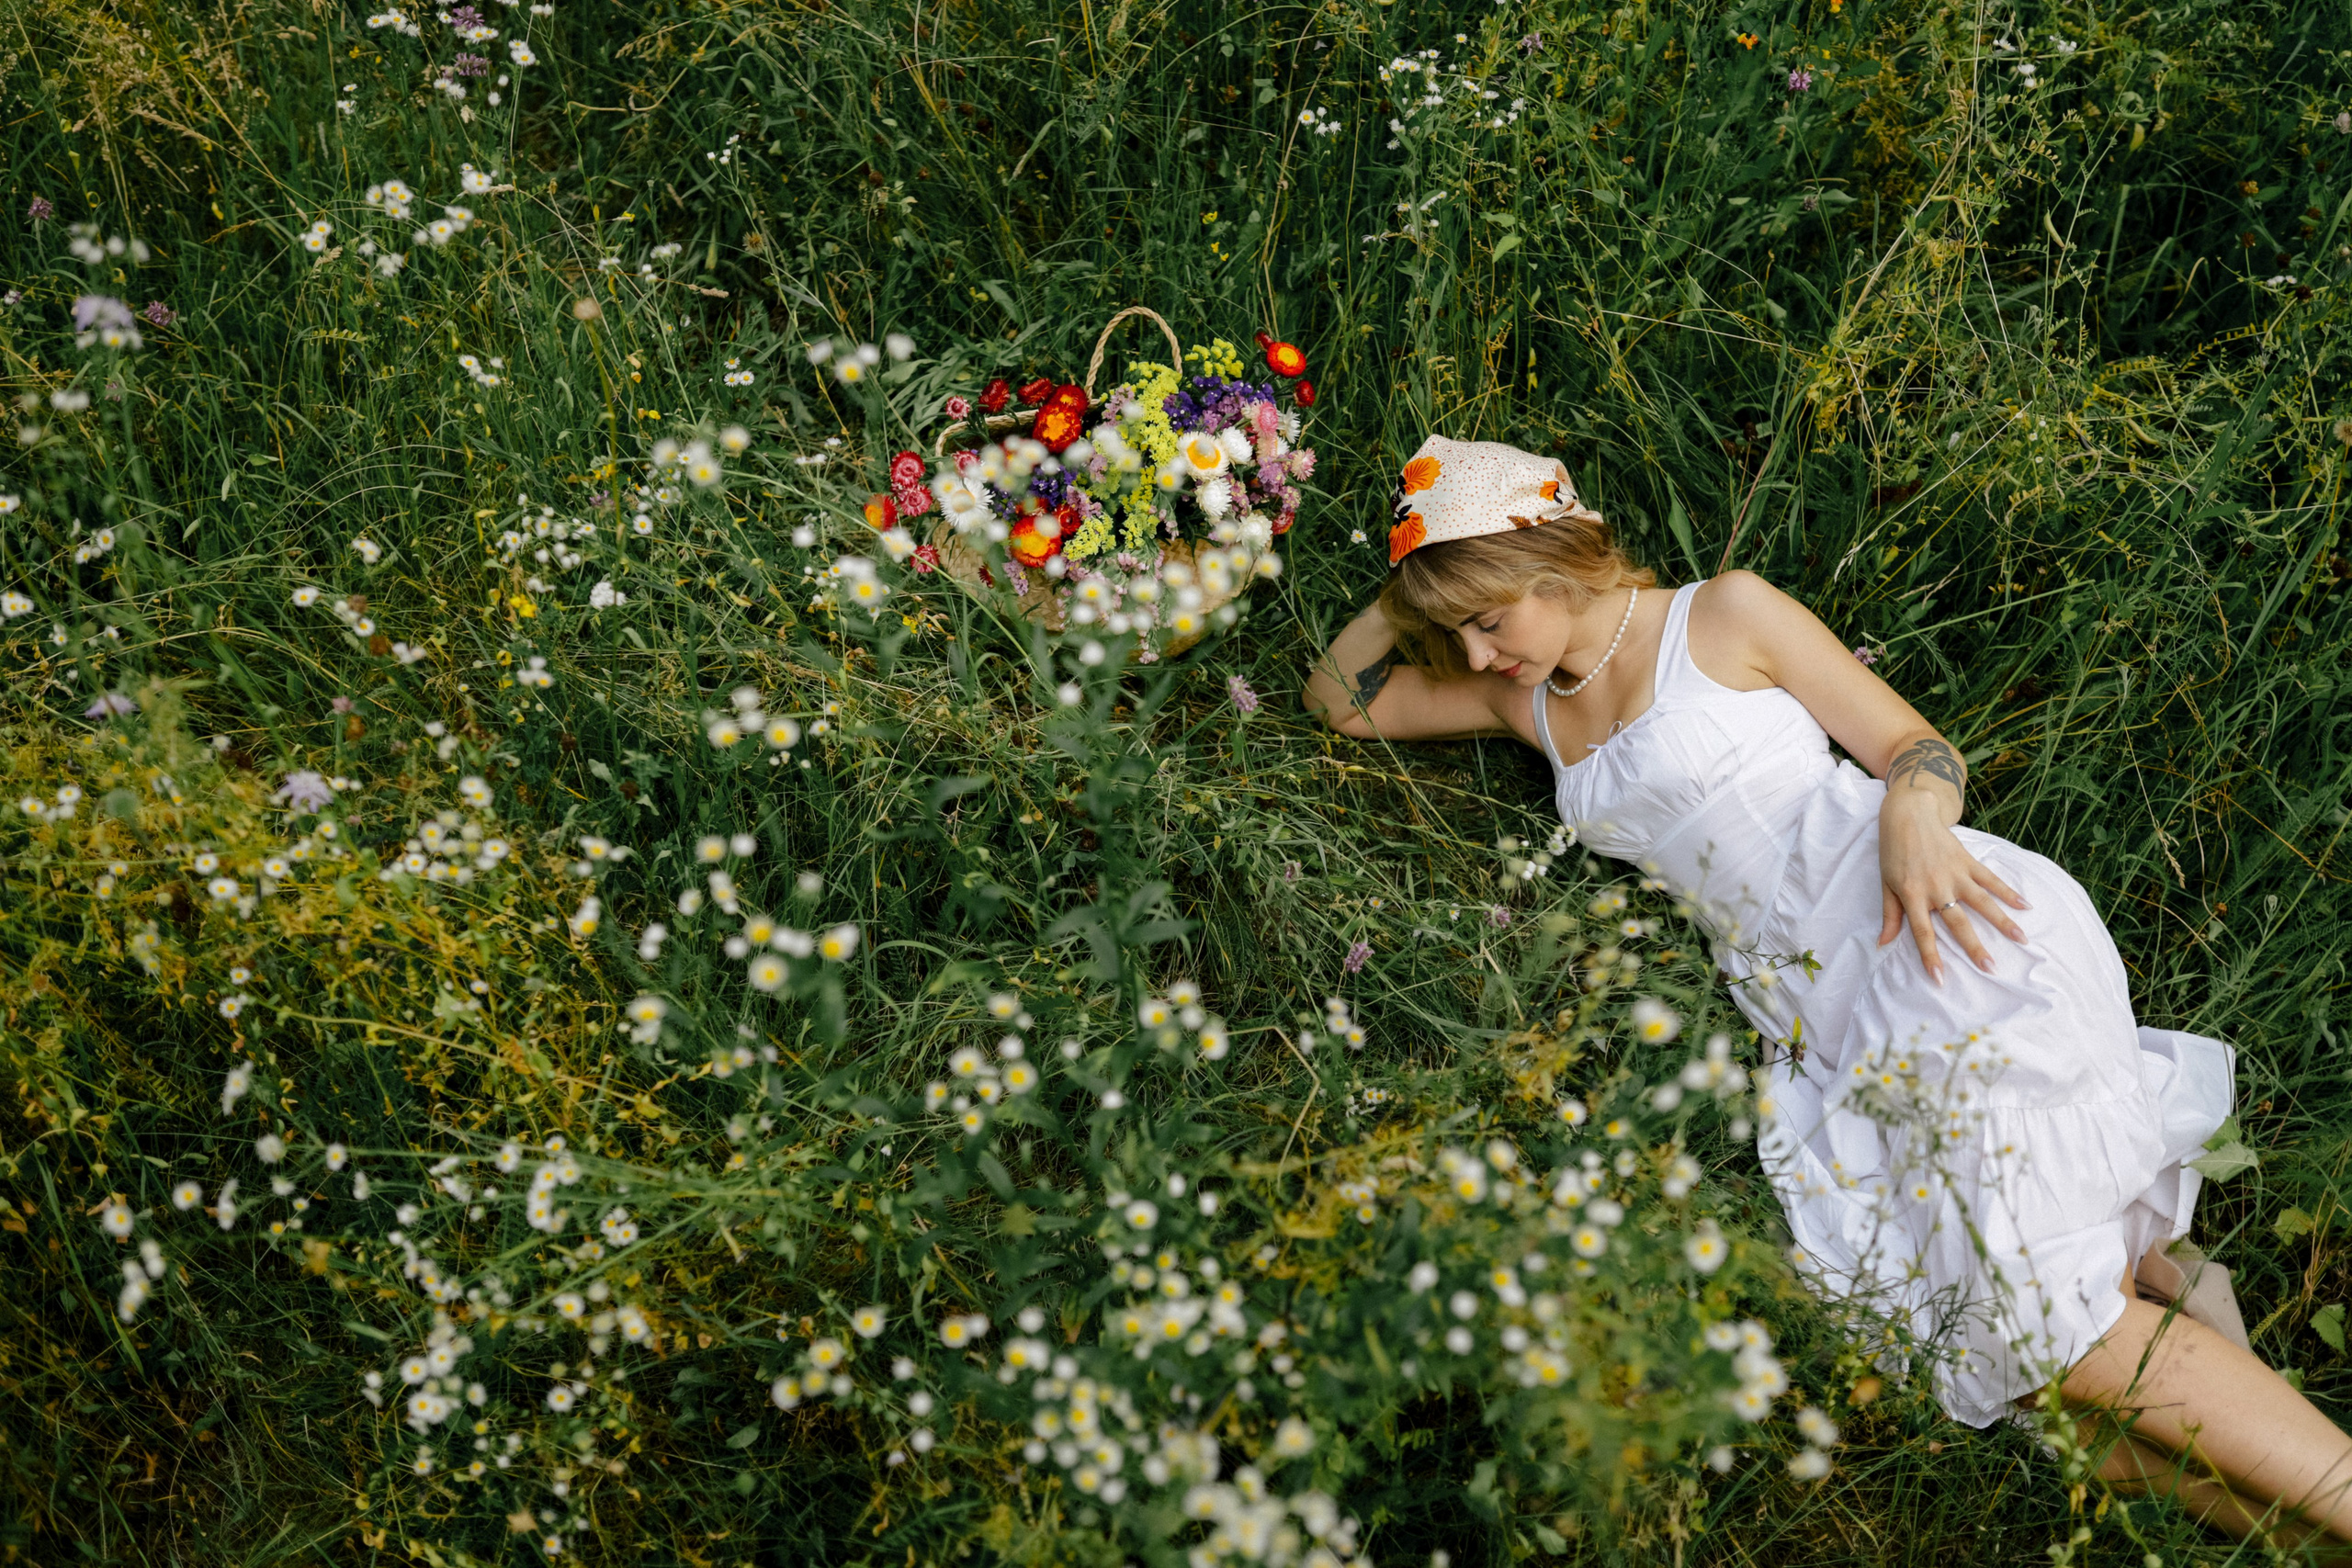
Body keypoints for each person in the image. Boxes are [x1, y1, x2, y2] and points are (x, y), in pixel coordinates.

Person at [1303, 434, 2352, 1556]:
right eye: (1454, 631)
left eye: (1489, 617)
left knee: (2060, 1332)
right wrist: (1415, 568)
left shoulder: (1723, 616)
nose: (1472, 650)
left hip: (1928, 933)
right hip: (1822, 1030)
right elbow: (1341, 702)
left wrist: (1912, 810)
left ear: (1558, 562)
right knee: (2020, 1381)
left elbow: (1914, 743)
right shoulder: (1532, 707)